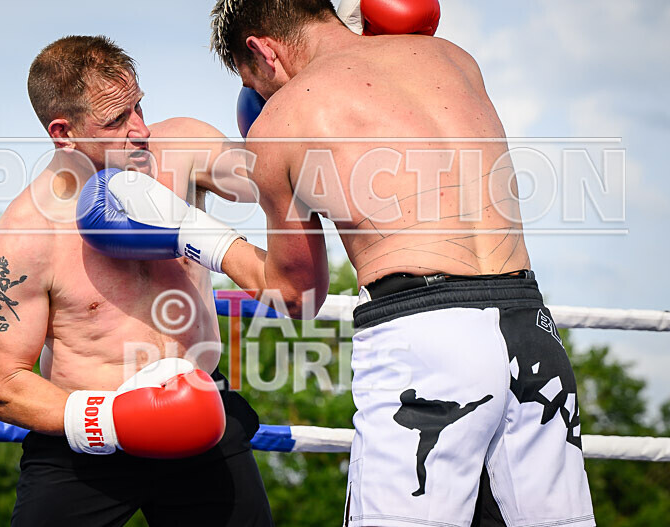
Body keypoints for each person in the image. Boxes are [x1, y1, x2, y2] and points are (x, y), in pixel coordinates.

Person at [201, 0, 594, 525]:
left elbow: (298, 296)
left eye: (254, 83)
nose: (258, 99)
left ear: (259, 49)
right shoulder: (453, 59)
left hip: (422, 340)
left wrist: (199, 235)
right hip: (533, 330)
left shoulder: (282, 120)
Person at [0, 35, 272, 526]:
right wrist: (116, 421)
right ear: (62, 132)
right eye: (116, 120)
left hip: (203, 421)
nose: (141, 130)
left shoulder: (182, 152)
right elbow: (0, 383)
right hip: (84, 449)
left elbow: (281, 182)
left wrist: (284, 103)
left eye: (139, 107)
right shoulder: (26, 238)